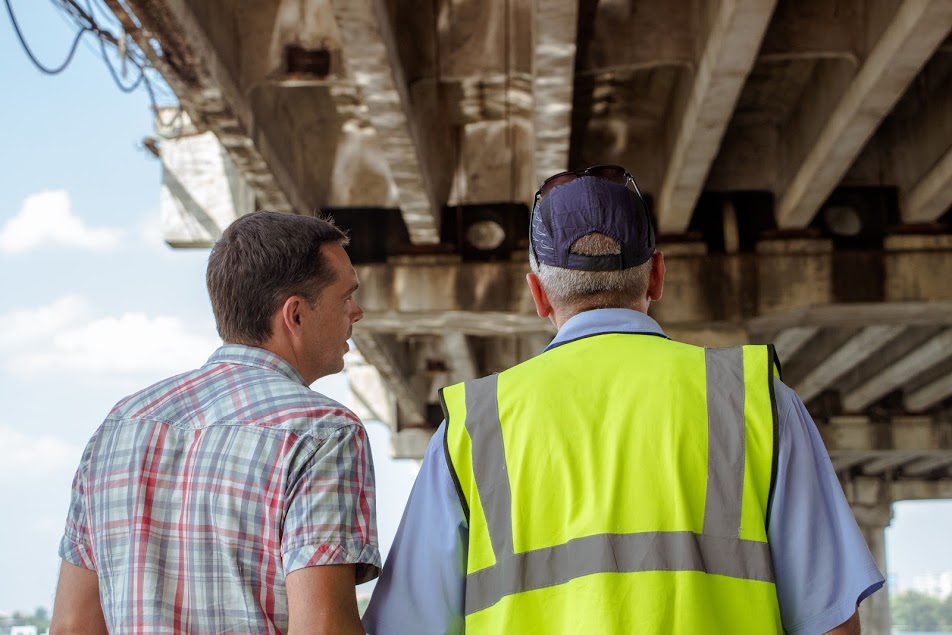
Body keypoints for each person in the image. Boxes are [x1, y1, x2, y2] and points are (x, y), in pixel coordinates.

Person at [363, 166, 884, 634]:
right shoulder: (755, 399)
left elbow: (408, 625)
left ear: (538, 293)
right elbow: (830, 620)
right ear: (657, 274)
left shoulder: (473, 425)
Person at [51, 211, 379, 634]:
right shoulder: (322, 432)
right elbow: (322, 627)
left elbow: (72, 626)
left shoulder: (119, 427)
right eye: (346, 296)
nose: (358, 311)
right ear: (294, 315)